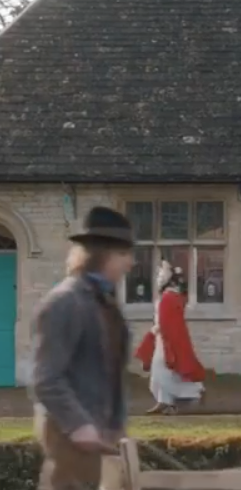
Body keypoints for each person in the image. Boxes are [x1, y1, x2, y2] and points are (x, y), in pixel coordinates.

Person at [31, 206, 134, 490]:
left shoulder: (104, 304)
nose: (131, 263)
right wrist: (78, 425)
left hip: (100, 437)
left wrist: (115, 425)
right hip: (69, 438)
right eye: (124, 254)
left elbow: (111, 372)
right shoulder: (65, 302)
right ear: (101, 255)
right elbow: (46, 379)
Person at [135, 259, 206, 415]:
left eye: (162, 273)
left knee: (163, 369)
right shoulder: (167, 296)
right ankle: (163, 401)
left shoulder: (170, 297)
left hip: (167, 338)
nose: (158, 276)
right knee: (160, 370)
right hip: (162, 338)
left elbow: (171, 321)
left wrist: (161, 330)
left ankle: (190, 394)